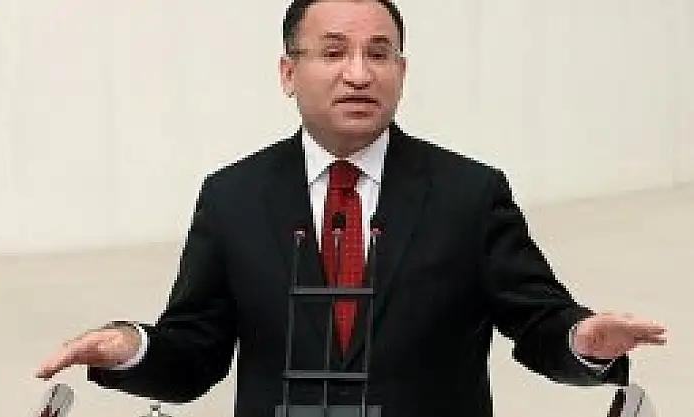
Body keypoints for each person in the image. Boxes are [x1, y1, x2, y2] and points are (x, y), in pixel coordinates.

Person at [35, 1, 667, 416]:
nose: (359, 74)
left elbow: (540, 322)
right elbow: (193, 354)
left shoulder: (469, 194)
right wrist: (132, 347)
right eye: (334, 53)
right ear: (288, 73)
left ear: (401, 71)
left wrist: (584, 341)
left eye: (379, 53)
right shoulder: (233, 197)